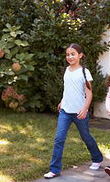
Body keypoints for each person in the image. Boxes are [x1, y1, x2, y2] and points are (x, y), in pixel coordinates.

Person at [43, 43, 103, 179]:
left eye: (73, 54)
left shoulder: (84, 72)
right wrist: (62, 101)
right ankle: (54, 169)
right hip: (65, 111)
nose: (70, 57)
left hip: (79, 112)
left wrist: (85, 108)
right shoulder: (66, 70)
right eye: (67, 54)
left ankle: (97, 157)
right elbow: (68, 90)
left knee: (85, 136)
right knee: (59, 139)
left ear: (80, 55)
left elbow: (89, 94)